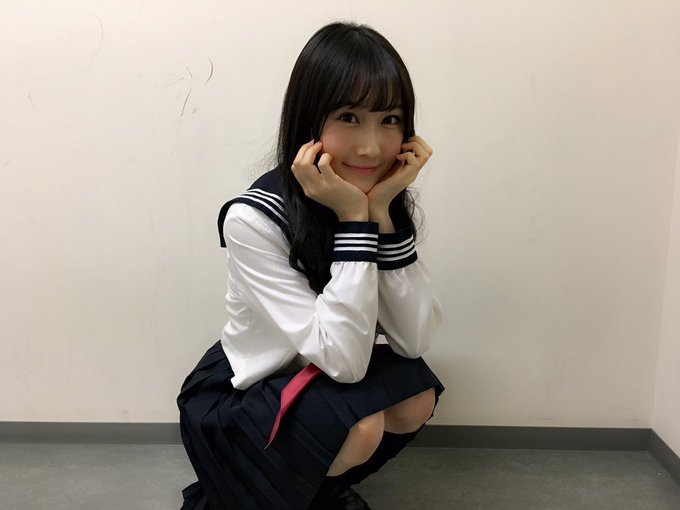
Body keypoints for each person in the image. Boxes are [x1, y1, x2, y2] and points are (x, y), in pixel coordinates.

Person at [177, 21, 444, 510]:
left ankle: (314, 486)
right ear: (309, 122)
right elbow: (344, 362)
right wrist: (354, 222)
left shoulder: (374, 197)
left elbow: (413, 338)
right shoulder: (253, 219)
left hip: (320, 366)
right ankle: (275, 485)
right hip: (251, 387)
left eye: (389, 119)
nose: (371, 147)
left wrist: (380, 214)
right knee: (361, 427)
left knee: (416, 398)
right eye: (348, 117)